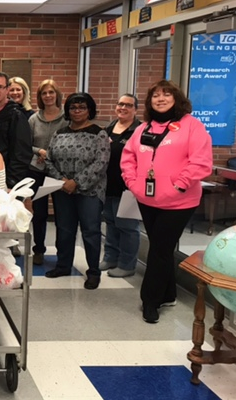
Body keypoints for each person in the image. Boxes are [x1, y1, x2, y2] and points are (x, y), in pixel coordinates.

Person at [120, 80, 213, 323]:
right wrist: (133, 183)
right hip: (147, 199)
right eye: (155, 96)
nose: (160, 99)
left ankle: (149, 301)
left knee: (159, 249)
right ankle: (169, 293)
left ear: (177, 99)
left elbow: (201, 162)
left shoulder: (192, 126)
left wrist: (179, 185)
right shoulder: (143, 129)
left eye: (166, 95)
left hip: (179, 202)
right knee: (163, 249)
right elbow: (128, 157)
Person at [44, 92, 110, 290]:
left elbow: (101, 162)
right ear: (68, 110)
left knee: (91, 232)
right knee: (64, 230)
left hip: (89, 192)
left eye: (82, 107)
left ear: (90, 110)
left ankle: (93, 272)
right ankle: (63, 265)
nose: (77, 111)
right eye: (73, 108)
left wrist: (77, 182)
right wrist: (62, 181)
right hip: (63, 190)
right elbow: (48, 159)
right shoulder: (59, 133)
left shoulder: (99, 133)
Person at [100, 94, 142, 278]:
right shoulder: (109, 128)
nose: (123, 108)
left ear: (135, 109)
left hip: (128, 188)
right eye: (120, 104)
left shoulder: (140, 130)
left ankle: (127, 264)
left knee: (128, 227)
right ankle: (110, 257)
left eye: (128, 105)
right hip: (108, 185)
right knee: (110, 223)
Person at [28, 79, 67, 265]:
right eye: (44, 93)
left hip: (59, 172)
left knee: (61, 213)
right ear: (40, 97)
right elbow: (27, 144)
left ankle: (62, 251)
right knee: (40, 214)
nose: (48, 96)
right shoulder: (33, 119)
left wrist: (51, 154)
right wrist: (39, 152)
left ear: (57, 95)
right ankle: (39, 250)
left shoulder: (66, 118)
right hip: (37, 170)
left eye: (51, 92)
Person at [0, 71, 32, 190]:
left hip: (6, 183)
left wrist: (11, 183)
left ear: (7, 90)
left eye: (0, 87)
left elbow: (22, 154)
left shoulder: (16, 116)